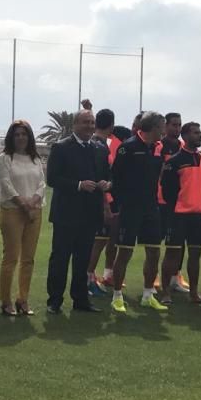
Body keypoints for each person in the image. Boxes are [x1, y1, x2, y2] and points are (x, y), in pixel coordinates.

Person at [45, 109, 110, 314]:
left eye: (92, 123)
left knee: (83, 260)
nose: (90, 126)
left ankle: (81, 300)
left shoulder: (100, 149)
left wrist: (107, 184)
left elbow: (109, 176)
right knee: (60, 259)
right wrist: (79, 185)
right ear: (75, 125)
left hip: (90, 214)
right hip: (66, 214)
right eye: (85, 122)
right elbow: (52, 179)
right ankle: (54, 300)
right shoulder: (61, 147)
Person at [109, 111, 167, 313]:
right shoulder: (129, 147)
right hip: (130, 208)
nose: (164, 130)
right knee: (125, 251)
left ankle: (148, 294)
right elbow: (115, 177)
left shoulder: (158, 148)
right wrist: (119, 205)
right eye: (162, 126)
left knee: (154, 251)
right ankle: (117, 296)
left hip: (151, 208)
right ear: (153, 127)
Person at [0, 120, 46, 316]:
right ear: (11, 137)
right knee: (10, 257)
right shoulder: (5, 158)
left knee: (28, 258)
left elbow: (42, 183)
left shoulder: (35, 159)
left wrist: (33, 202)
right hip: (12, 211)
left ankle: (22, 299)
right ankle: (5, 301)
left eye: (24, 134)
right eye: (17, 134)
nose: (21, 138)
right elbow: (5, 183)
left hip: (34, 211)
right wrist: (22, 203)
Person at [160, 122, 201, 304]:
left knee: (195, 255)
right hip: (178, 215)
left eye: (200, 132)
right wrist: (177, 206)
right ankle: (165, 292)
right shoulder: (174, 161)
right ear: (185, 136)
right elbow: (167, 190)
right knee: (172, 255)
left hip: (198, 215)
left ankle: (194, 293)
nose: (200, 135)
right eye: (196, 133)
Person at [157, 111, 191, 295]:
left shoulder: (183, 147)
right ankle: (155, 278)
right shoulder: (158, 146)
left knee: (179, 242)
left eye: (179, 125)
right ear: (165, 126)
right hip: (160, 201)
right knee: (156, 241)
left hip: (179, 203)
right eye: (173, 125)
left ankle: (175, 278)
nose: (176, 128)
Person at [85, 108, 117, 297]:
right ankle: (88, 279)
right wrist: (105, 205)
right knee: (97, 242)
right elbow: (99, 178)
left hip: (103, 200)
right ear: (111, 125)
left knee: (100, 242)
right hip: (100, 201)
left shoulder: (99, 143)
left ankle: (90, 278)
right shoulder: (99, 145)